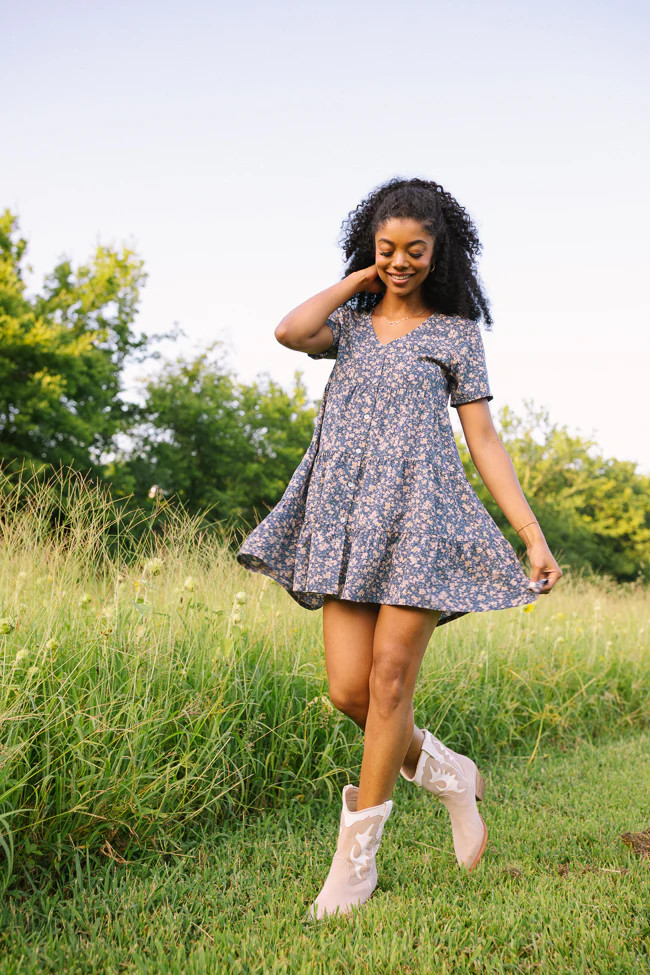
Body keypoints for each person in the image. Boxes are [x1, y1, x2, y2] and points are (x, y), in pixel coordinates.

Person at [236, 176, 562, 920]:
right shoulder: (349, 324)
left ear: (439, 252)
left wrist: (531, 534)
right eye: (387, 248)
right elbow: (289, 330)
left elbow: (484, 439)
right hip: (345, 517)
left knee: (389, 683)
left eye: (415, 249)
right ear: (371, 247)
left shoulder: (454, 333)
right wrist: (359, 279)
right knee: (348, 691)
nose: (401, 261)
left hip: (421, 518)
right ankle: (447, 771)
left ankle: (356, 863)